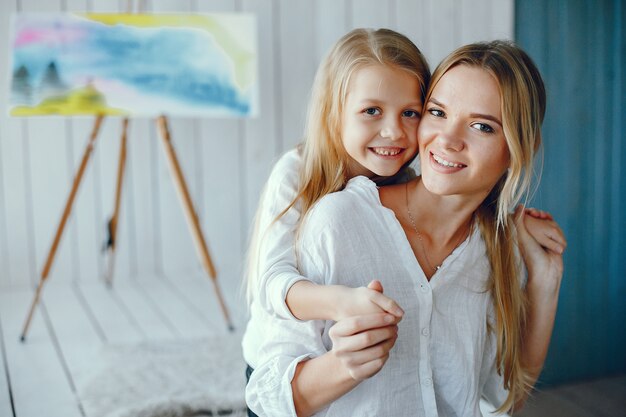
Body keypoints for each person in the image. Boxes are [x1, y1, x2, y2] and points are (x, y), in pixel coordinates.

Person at [245, 40, 565, 417]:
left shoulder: (498, 248)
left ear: (520, 147)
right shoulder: (331, 212)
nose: (447, 139)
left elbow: (502, 401)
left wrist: (544, 284)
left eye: (482, 126)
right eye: (438, 112)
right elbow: (266, 395)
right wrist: (341, 363)